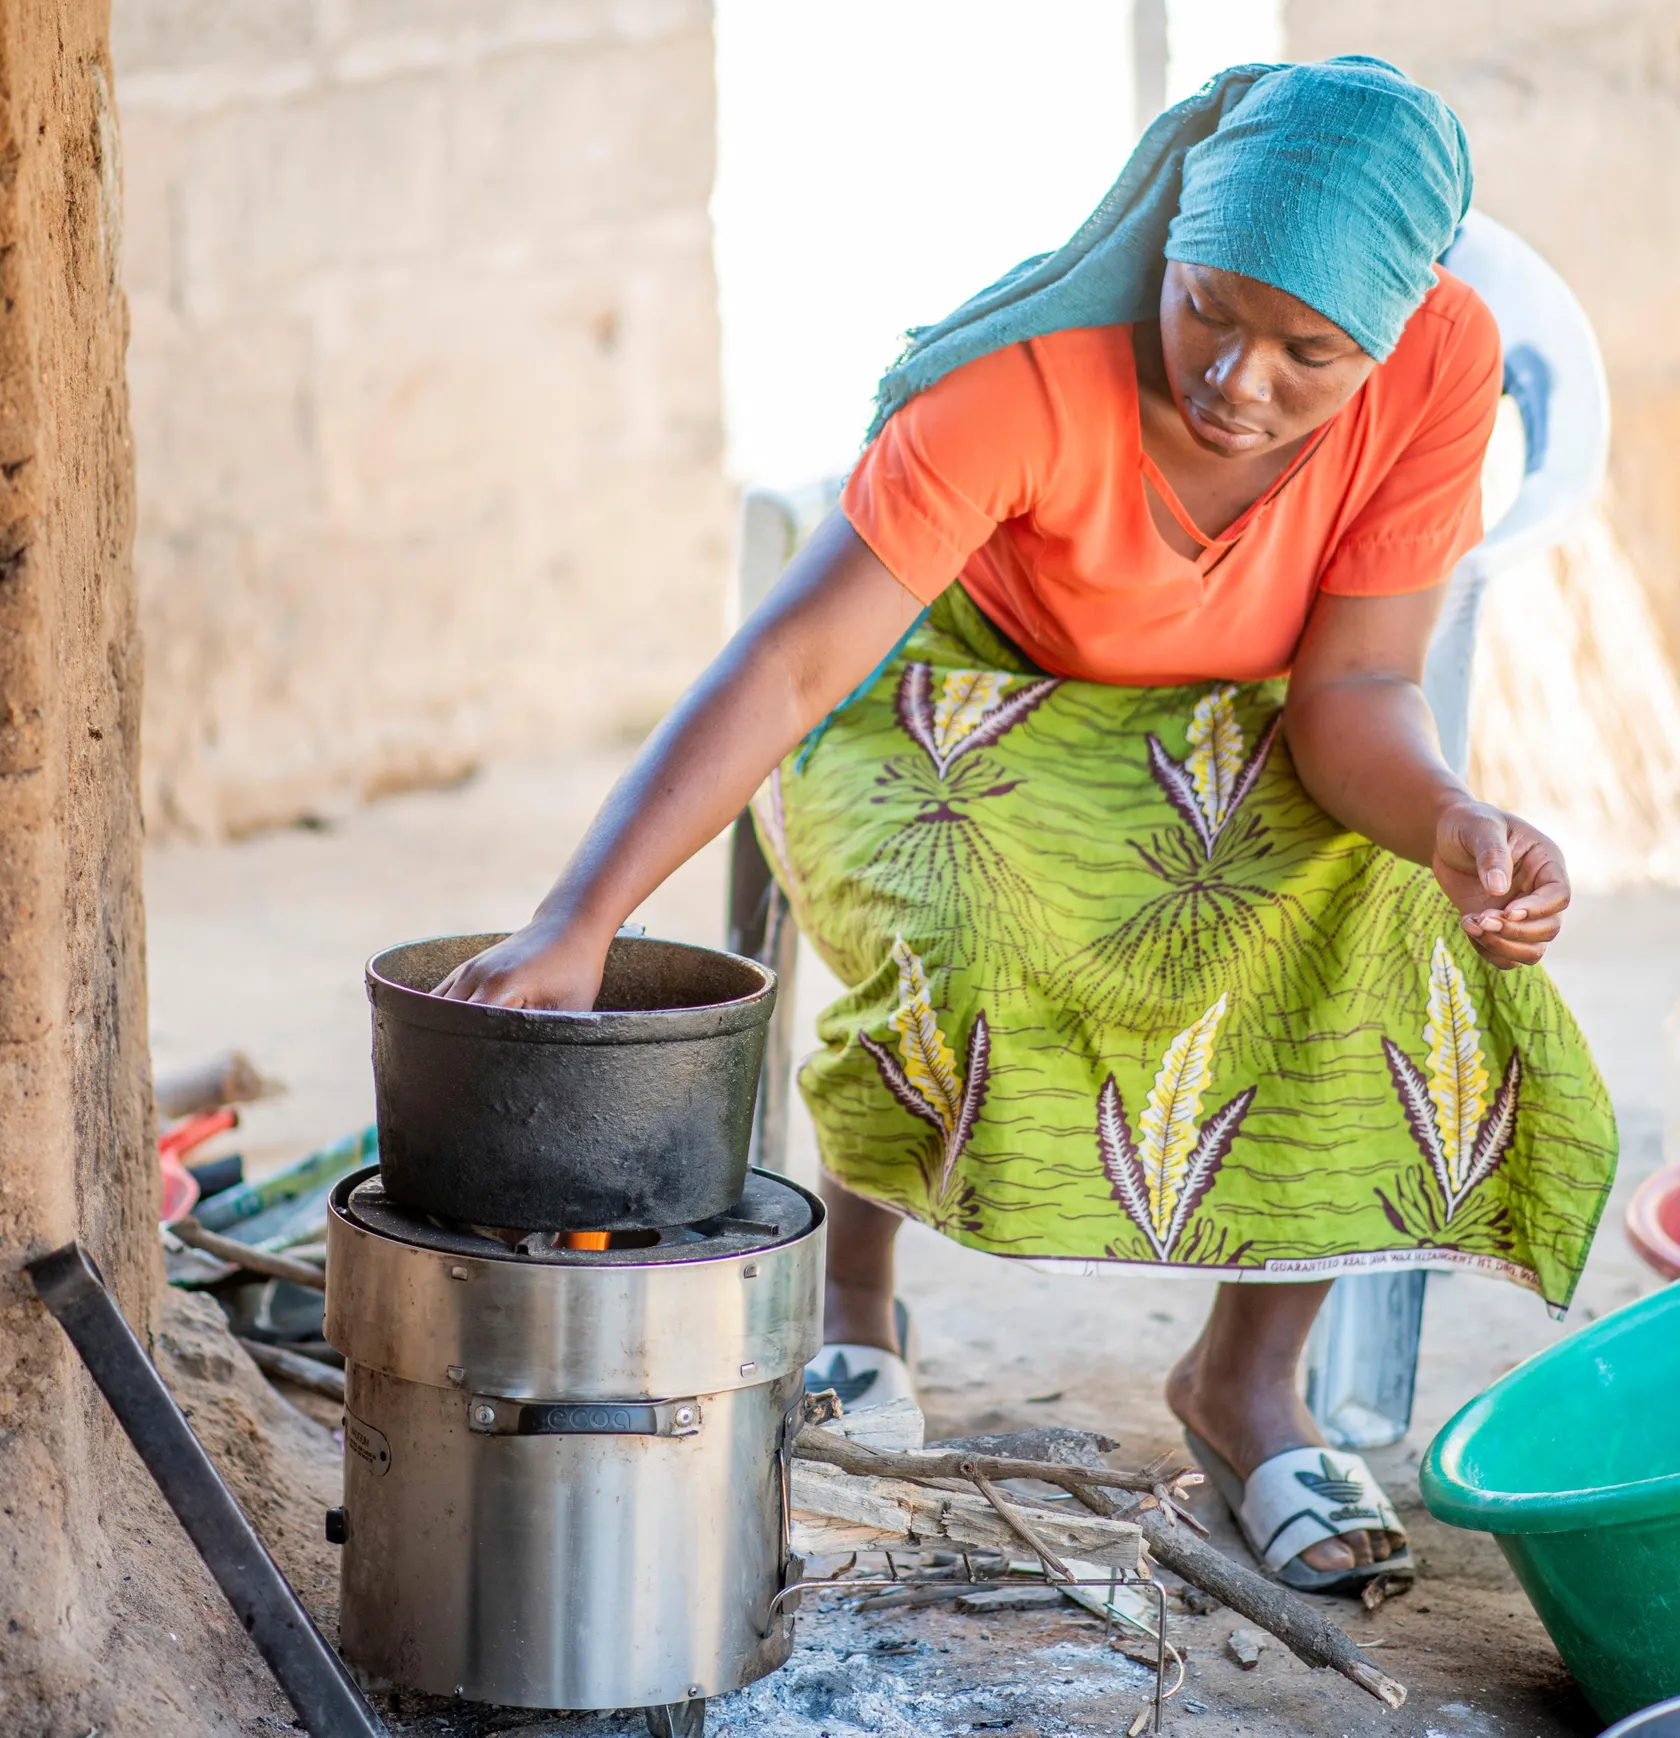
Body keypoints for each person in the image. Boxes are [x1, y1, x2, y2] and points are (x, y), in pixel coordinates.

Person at [437, 57, 1617, 1595]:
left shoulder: (1437, 363)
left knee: (1385, 913)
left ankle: (1248, 1385)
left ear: (1390, 335)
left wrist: (1456, 814)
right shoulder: (1028, 379)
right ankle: (860, 1306)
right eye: (1210, 309)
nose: (1238, 382)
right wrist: (576, 921)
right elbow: (795, 660)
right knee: (955, 906)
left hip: (1232, 709)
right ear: (1172, 241)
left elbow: (1358, 687)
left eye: (1307, 354)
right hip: (949, 677)